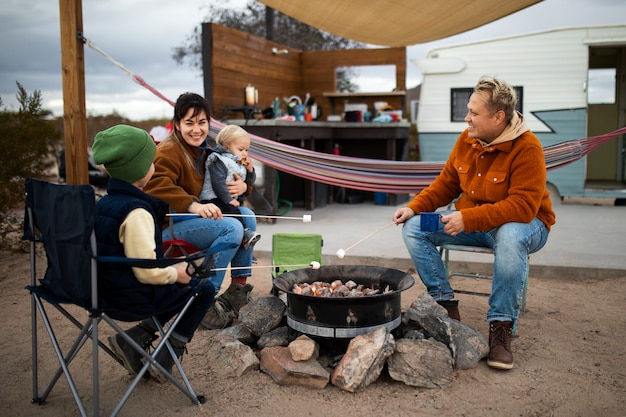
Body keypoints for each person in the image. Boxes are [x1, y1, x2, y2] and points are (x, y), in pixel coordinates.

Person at [393, 76, 556, 370]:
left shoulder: (527, 147)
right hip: (473, 225)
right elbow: (446, 184)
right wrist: (414, 208)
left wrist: (468, 218)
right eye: (468, 110)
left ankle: (500, 328)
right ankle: (445, 307)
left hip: (526, 226)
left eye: (474, 113)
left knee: (509, 235)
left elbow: (523, 207)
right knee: (416, 228)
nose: (466, 118)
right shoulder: (466, 139)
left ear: (498, 117)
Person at [92, 124, 216, 382]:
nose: (154, 166)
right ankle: (165, 356)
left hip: (99, 289)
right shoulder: (137, 212)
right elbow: (147, 272)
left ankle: (134, 339)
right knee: (202, 288)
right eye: (151, 161)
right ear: (139, 169)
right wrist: (176, 273)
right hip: (127, 297)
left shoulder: (103, 203)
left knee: (183, 279)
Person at [143, 92, 256, 330]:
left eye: (202, 122)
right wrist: (194, 205)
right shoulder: (169, 150)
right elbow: (155, 185)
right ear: (177, 125)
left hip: (195, 219)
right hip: (170, 225)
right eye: (189, 123)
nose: (196, 129)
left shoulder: (207, 150)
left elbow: (227, 186)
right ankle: (203, 299)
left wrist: (245, 185)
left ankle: (237, 290)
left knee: (247, 217)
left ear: (209, 124)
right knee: (232, 228)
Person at [199, 124, 261, 250]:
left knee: (243, 213)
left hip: (226, 199)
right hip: (213, 199)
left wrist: (250, 171)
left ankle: (246, 243)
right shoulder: (217, 159)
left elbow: (248, 183)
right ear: (227, 146)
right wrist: (229, 199)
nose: (244, 153)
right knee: (233, 211)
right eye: (241, 149)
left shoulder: (237, 162)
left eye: (247, 150)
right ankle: (246, 234)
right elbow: (218, 183)